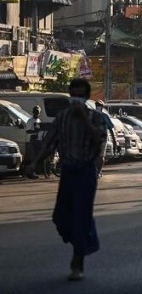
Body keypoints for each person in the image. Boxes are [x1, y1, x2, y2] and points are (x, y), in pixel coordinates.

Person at [28, 78, 108, 281]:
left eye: (80, 96)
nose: (76, 99)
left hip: (86, 171)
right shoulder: (62, 117)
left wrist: (84, 120)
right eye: (74, 95)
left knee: (81, 215)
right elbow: (49, 142)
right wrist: (34, 163)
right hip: (68, 172)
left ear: (86, 97)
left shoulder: (95, 117)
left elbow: (99, 140)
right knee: (61, 217)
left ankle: (78, 260)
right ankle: (82, 240)